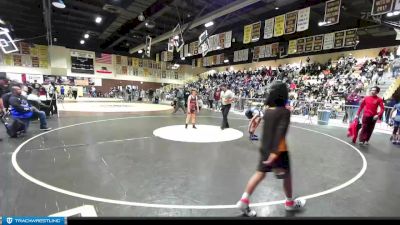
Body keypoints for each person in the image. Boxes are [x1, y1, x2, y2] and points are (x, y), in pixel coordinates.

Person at [236, 81, 305, 217]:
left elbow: (267, 132)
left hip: (265, 149)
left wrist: (267, 151)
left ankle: (244, 200)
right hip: (279, 151)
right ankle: (289, 203)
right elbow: (281, 132)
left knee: (259, 174)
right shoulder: (284, 112)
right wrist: (275, 152)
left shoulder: (268, 111)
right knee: (287, 176)